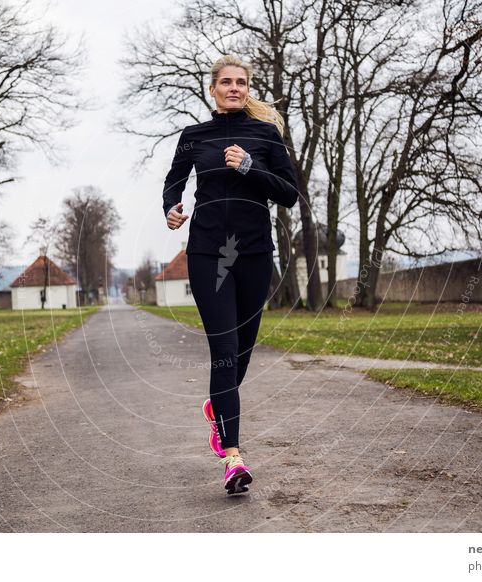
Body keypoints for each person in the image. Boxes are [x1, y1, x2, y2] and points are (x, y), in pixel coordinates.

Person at [161, 54, 299, 494]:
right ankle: (233, 457)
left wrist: (250, 167)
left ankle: (217, 407)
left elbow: (290, 194)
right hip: (207, 254)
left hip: (255, 254)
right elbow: (173, 179)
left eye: (241, 82)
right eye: (226, 81)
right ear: (213, 88)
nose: (234, 87)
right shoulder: (194, 136)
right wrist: (171, 207)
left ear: (248, 88)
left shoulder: (265, 135)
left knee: (241, 350)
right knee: (223, 349)